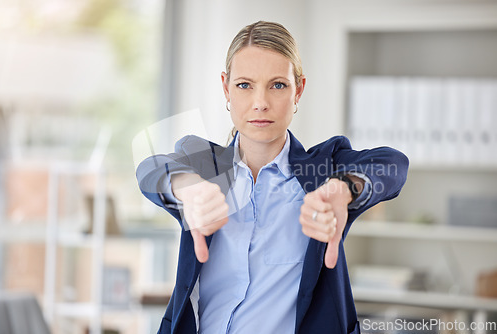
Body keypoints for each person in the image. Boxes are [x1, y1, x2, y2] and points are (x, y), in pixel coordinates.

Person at [137, 21, 408, 334]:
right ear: (226, 88)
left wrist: (345, 188)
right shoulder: (205, 166)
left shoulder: (320, 172)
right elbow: (149, 167)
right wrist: (185, 188)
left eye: (278, 85)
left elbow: (393, 165)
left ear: (299, 90)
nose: (260, 102)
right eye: (244, 85)